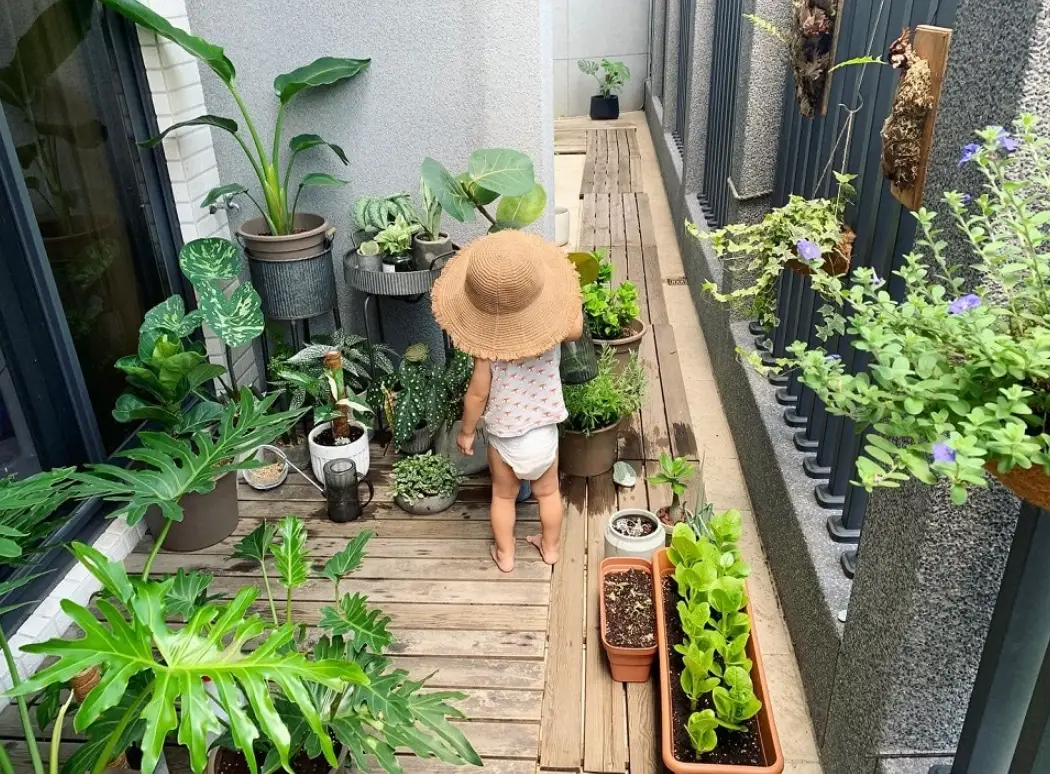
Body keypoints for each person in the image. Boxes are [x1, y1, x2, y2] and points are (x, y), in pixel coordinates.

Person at [431, 231, 583, 572]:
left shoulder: (488, 348)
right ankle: (551, 549)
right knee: (548, 493)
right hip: (544, 435)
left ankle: (506, 555)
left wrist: (467, 432)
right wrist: (566, 283)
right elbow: (575, 325)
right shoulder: (552, 331)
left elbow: (477, 394)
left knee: (502, 496)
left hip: (505, 438)